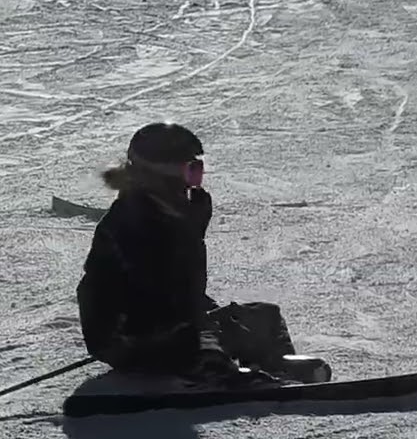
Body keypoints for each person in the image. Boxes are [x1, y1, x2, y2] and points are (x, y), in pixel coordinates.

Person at [75, 122, 330, 385]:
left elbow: (186, 297)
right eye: (190, 172)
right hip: (127, 333)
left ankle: (275, 366)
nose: (193, 185)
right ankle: (215, 372)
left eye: (197, 172)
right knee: (197, 337)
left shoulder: (166, 214)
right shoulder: (131, 222)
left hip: (165, 320)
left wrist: (221, 317)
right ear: (161, 177)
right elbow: (169, 295)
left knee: (264, 316)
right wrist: (191, 235)